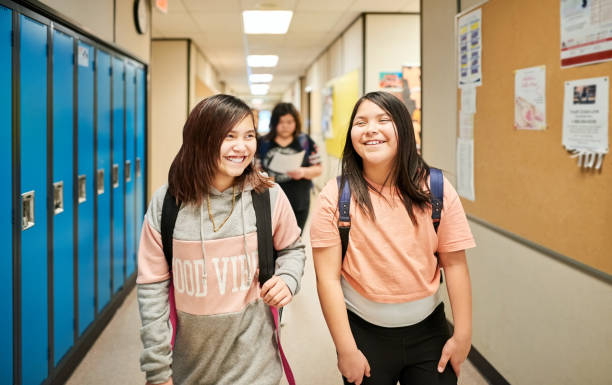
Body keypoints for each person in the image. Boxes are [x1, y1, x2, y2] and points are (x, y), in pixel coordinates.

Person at [136, 94, 306, 385]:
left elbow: (293, 248)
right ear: (201, 139)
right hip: (189, 368)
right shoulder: (168, 203)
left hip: (257, 367)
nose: (242, 146)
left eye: (249, 135)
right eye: (229, 136)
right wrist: (157, 368)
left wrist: (288, 278)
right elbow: (152, 288)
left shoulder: (268, 196)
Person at [310, 91, 476, 385]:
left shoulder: (436, 188)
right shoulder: (335, 197)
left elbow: (455, 266)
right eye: (360, 122)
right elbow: (328, 279)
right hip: (364, 333)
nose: (371, 128)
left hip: (429, 332)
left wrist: (462, 336)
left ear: (404, 129)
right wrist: (346, 349)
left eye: (383, 119)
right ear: (351, 135)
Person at [257, 102, 322, 233]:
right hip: (270, 203)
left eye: (289, 122)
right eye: (281, 122)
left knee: (295, 239)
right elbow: (254, 170)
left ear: (296, 122)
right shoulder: (263, 143)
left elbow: (318, 168)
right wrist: (263, 178)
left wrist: (303, 172)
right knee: (270, 242)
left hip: (299, 202)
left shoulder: (305, 141)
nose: (285, 126)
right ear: (274, 123)